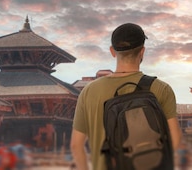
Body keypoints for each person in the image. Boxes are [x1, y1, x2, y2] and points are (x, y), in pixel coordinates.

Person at [70, 23, 181, 170]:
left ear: (112, 51)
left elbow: (76, 146)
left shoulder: (89, 91)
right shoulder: (161, 89)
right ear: (142, 51)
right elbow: (175, 139)